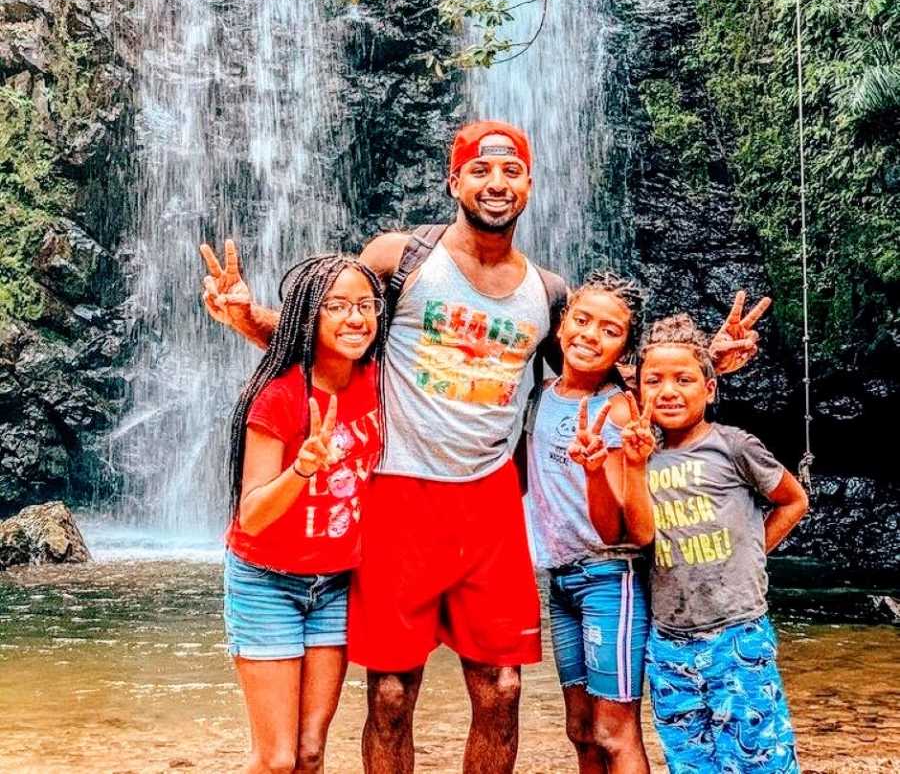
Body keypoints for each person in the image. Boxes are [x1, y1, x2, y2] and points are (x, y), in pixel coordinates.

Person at [201, 119, 766, 774]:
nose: (496, 183)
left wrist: (705, 363)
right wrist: (245, 316)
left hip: (492, 502)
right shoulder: (399, 256)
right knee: (388, 692)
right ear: (454, 180)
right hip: (397, 492)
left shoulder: (549, 293)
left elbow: (597, 372)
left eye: (511, 172)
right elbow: (336, 333)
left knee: (501, 689)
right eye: (480, 170)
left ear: (528, 184)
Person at [527, 274, 770, 774]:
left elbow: (672, 383)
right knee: (580, 730)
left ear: (623, 353)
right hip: (561, 578)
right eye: (582, 320)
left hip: (610, 577)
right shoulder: (541, 393)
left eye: (611, 330)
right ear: (560, 323)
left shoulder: (622, 408)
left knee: (614, 732)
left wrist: (711, 356)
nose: (591, 335)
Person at [577, 313, 808, 774]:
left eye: (684, 379)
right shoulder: (642, 456)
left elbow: (793, 500)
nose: (668, 391)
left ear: (710, 387)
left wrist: (752, 554)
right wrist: (628, 468)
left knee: (758, 757)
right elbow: (641, 536)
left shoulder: (734, 446)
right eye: (654, 380)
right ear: (637, 391)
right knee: (690, 762)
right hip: (669, 642)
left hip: (738, 632)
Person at [222, 253, 386, 774]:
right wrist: (301, 468)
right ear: (308, 316)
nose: (355, 318)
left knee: (312, 753)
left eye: (365, 305)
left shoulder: (378, 381)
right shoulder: (279, 396)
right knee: (275, 759)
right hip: (266, 581)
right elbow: (251, 515)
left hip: (334, 582)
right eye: (336, 306)